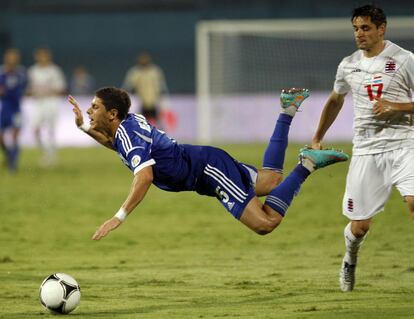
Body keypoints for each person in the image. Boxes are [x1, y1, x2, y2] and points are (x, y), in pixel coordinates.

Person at [68, 86, 348, 241]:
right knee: (272, 180)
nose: (90, 111)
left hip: (208, 171)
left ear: (112, 113)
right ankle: (288, 109)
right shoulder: (128, 124)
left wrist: (118, 217)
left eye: (94, 107)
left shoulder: (127, 134)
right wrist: (83, 127)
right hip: (205, 161)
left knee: (265, 223)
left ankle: (307, 165)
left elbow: (145, 177)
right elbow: (113, 142)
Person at [311, 4, 414, 292]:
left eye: (366, 28)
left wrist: (397, 106)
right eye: (356, 28)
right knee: (359, 228)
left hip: (405, 144)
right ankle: (350, 259)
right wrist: (317, 136)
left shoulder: (404, 60)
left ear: (382, 29)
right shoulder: (348, 65)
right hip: (367, 150)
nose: (360, 34)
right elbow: (335, 100)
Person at [27, 48, 66, 166]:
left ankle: (52, 155)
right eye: (40, 56)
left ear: (49, 57)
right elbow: (29, 88)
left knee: (50, 130)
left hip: (51, 102)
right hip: (38, 103)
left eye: (45, 56)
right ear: (37, 57)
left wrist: (49, 91)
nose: (43, 58)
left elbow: (61, 88)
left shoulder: (54, 71)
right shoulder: (32, 71)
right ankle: (45, 152)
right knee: (35, 129)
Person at [122, 52, 169, 127]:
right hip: (142, 101)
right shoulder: (135, 72)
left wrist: (163, 97)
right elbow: (128, 85)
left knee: (159, 122)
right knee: (139, 121)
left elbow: (161, 86)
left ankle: (162, 137)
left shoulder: (155, 71)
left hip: (154, 101)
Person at [0, 48, 27, 172]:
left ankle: (13, 165)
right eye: (10, 57)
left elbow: (24, 88)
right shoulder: (2, 73)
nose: (12, 59)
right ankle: (8, 154)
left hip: (16, 108)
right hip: (4, 108)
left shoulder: (21, 73)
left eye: (14, 57)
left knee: (15, 135)